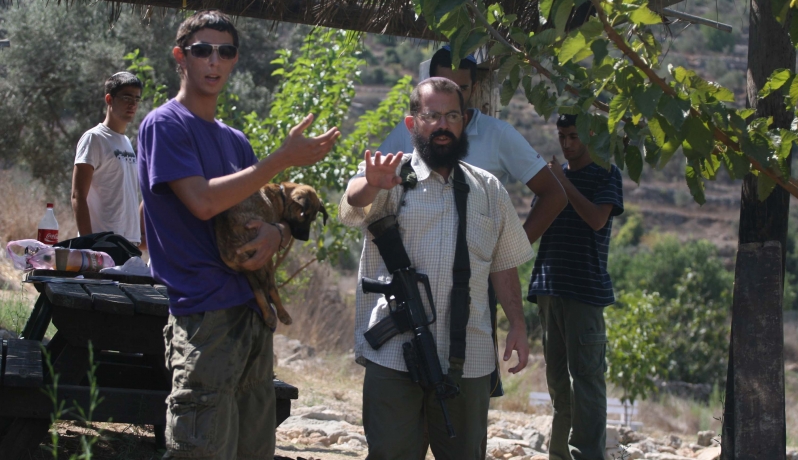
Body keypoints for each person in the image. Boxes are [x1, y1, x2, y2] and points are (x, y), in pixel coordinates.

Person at [136, 10, 339, 459]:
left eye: (225, 52)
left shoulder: (236, 141)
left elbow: (263, 209)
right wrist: (281, 159)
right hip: (203, 316)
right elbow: (203, 202)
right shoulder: (164, 125)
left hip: (251, 315)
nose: (214, 60)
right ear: (180, 57)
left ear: (234, 60)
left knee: (252, 451)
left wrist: (278, 232)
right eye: (202, 50)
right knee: (201, 450)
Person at [340, 77, 532, 459]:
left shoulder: (488, 189)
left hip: (469, 358)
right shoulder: (391, 178)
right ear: (412, 123)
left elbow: (503, 264)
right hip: (395, 355)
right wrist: (371, 185)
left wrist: (518, 324)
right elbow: (352, 207)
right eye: (432, 116)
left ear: (464, 122)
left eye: (452, 116)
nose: (443, 125)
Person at [376, 46, 566, 244]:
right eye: (445, 86)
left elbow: (554, 194)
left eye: (462, 88)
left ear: (474, 88)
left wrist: (511, 252)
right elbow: (367, 186)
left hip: (477, 264)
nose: (453, 96)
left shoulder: (498, 135)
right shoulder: (409, 130)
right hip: (412, 261)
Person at [527, 114, 624, 460]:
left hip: (584, 289)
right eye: (562, 136)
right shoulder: (553, 178)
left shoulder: (606, 173)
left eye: (573, 136)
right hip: (549, 287)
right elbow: (534, 226)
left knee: (586, 381)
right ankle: (559, 454)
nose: (566, 144)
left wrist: (563, 184)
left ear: (589, 135)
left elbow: (597, 219)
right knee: (558, 384)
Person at [72, 71, 145, 247]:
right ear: (109, 99)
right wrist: (89, 244)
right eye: (126, 97)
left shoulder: (126, 142)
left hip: (128, 244)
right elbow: (77, 196)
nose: (132, 104)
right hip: (102, 244)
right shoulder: (94, 138)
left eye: (136, 99)